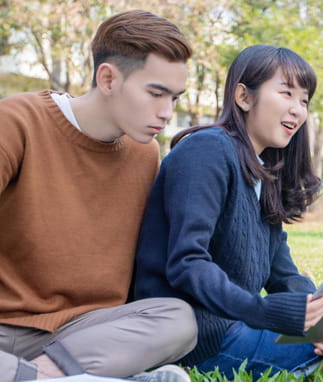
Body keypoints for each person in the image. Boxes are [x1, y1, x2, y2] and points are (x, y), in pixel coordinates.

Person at [133, 44, 323, 379]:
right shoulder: (207, 150)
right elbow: (187, 263)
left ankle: (303, 358)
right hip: (195, 337)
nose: (297, 110)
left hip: (235, 325)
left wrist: (319, 317)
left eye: (304, 100)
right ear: (244, 97)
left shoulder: (262, 172)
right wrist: (262, 311)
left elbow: (282, 273)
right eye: (286, 93)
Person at [0, 10, 197, 382]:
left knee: (178, 319)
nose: (167, 112)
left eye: (174, 97)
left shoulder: (145, 153)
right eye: (156, 93)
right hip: (5, 328)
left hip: (87, 333)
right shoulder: (17, 121)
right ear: (107, 78)